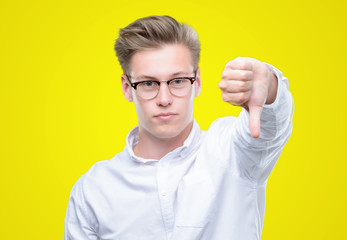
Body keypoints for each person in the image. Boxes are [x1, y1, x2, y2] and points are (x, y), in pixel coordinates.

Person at [63, 15, 294, 240]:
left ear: (198, 82)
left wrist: (270, 87)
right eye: (148, 83)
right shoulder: (93, 190)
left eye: (178, 81)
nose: (164, 98)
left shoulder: (233, 153)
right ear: (127, 88)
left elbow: (271, 128)